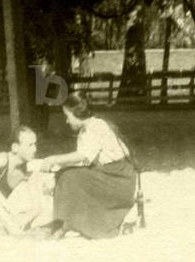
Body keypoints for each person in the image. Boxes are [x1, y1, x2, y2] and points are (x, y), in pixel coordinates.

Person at [29, 90, 135, 239]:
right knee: (66, 174)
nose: (67, 121)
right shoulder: (86, 129)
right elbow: (84, 160)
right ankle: (66, 221)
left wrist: (53, 159)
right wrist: (59, 166)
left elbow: (83, 155)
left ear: (77, 113)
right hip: (108, 173)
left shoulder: (96, 126)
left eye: (68, 116)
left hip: (118, 178)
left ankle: (63, 223)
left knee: (68, 177)